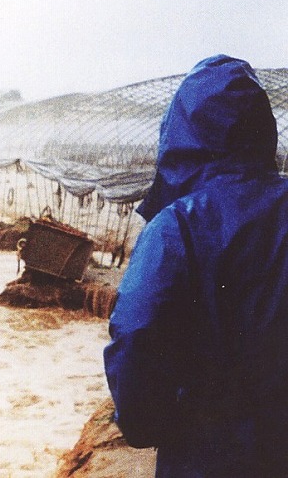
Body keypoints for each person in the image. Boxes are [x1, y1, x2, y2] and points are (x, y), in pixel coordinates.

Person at [104, 55, 288, 477]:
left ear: (183, 132)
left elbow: (134, 332)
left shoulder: (179, 225)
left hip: (205, 452)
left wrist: (144, 424)